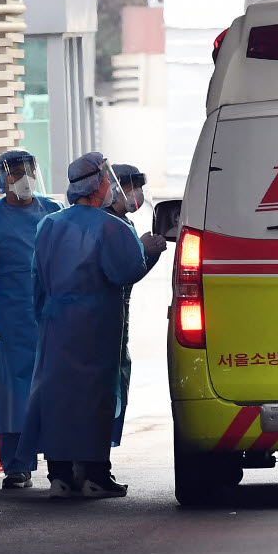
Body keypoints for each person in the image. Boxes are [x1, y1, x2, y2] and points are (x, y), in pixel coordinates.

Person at [16, 152, 152, 499]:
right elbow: (125, 272)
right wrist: (148, 250)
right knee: (95, 399)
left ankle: (59, 475)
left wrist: (43, 319)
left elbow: (37, 279)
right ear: (101, 183)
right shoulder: (111, 227)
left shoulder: (49, 225)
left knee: (56, 397)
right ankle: (94, 474)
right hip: (96, 324)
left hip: (56, 322)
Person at [0, 150, 63, 489]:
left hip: (51, 314)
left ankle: (60, 461)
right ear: (1, 179)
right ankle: (17, 465)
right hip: (7, 318)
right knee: (12, 394)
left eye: (27, 172)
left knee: (53, 390)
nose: (23, 179)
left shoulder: (53, 212)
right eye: (15, 174)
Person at [106, 164, 167, 446]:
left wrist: (149, 254)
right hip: (99, 322)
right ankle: (89, 466)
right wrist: (142, 251)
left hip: (117, 323)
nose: (137, 194)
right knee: (101, 392)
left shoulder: (125, 224)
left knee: (117, 388)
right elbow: (115, 272)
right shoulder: (104, 224)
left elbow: (132, 275)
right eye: (132, 187)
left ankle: (100, 462)